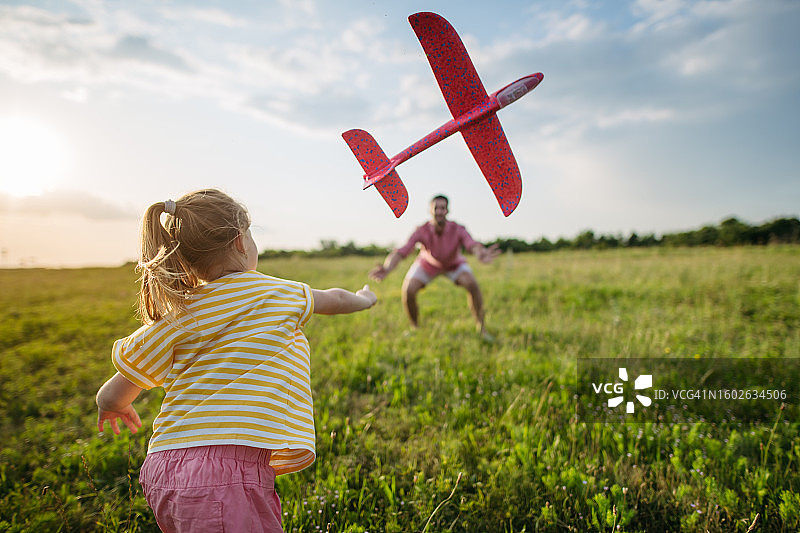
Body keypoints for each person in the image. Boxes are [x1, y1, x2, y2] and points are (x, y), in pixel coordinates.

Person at [95, 189, 376, 533]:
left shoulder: (178, 313)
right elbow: (334, 300)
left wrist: (112, 406)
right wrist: (364, 299)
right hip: (228, 476)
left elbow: (114, 392)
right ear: (240, 242)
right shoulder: (277, 292)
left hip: (162, 467)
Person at [369, 194, 500, 339]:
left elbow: (471, 244)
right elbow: (402, 251)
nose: (439, 211)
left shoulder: (457, 229)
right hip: (428, 264)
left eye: (442, 208)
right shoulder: (421, 230)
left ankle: (482, 329)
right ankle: (415, 328)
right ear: (430, 211)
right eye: (436, 208)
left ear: (447, 211)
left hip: (453, 264)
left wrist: (479, 252)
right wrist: (387, 268)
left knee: (472, 285)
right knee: (408, 290)